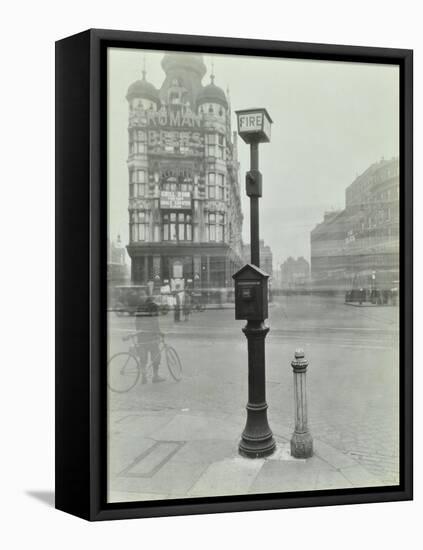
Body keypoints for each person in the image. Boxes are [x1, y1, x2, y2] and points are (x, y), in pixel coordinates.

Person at [134, 298, 165, 384]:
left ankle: (143, 378)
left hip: (141, 336)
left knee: (143, 358)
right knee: (156, 355)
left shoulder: (140, 308)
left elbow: (136, 322)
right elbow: (155, 322)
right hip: (151, 336)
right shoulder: (153, 307)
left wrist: (139, 333)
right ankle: (155, 376)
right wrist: (159, 333)